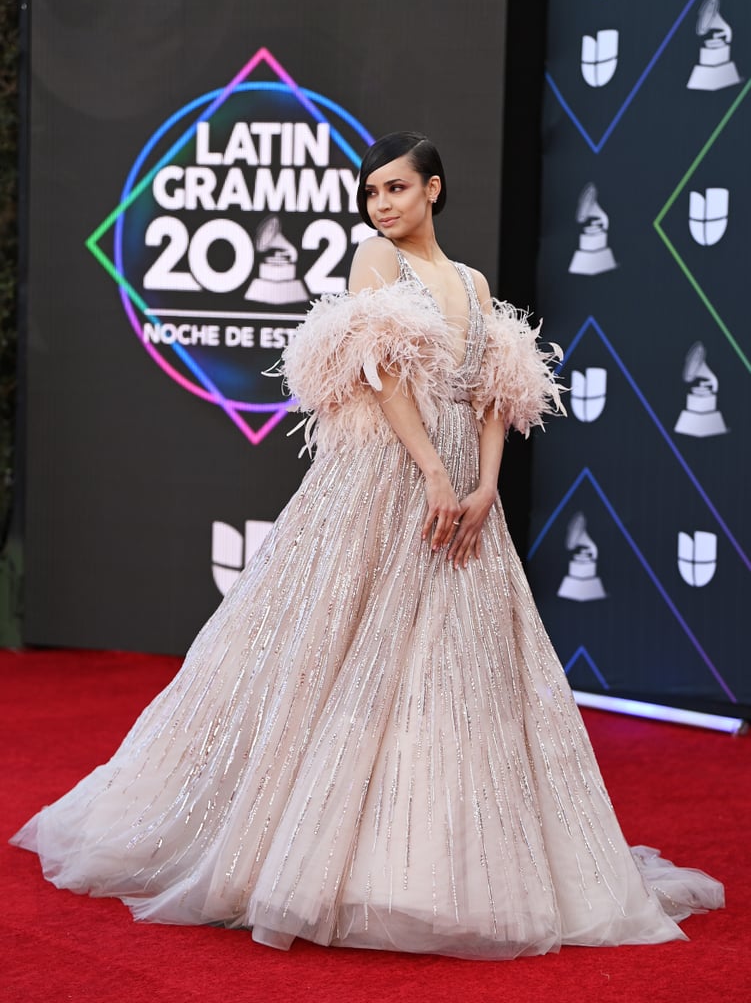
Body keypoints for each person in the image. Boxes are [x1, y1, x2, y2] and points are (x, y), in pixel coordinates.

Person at [12, 132, 723, 960]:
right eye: (370, 193)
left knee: (457, 662)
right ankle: (295, 852)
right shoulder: (373, 263)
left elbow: (495, 393)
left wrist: (485, 484)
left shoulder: (473, 283)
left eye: (393, 189)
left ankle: (429, 858)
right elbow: (379, 373)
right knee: (339, 646)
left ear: (434, 189)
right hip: (385, 476)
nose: (379, 205)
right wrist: (428, 469)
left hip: (465, 485)